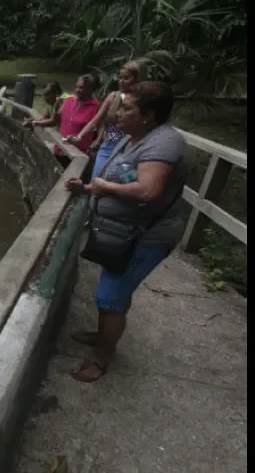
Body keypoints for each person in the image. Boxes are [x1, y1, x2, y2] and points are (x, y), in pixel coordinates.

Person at [63, 81, 187, 383]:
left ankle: (101, 359)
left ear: (148, 114)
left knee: (110, 296)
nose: (118, 113)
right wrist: (89, 188)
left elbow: (148, 189)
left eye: (127, 108)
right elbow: (119, 177)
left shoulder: (163, 143)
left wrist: (103, 187)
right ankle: (103, 334)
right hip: (121, 234)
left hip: (145, 237)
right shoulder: (134, 137)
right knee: (113, 294)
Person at [68, 60, 147, 180]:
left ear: (137, 79)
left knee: (122, 181)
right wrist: (79, 137)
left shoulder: (144, 101)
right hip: (108, 147)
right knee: (96, 179)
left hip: (130, 150)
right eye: (120, 77)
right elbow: (95, 120)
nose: (121, 81)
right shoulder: (113, 96)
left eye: (126, 78)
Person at [27, 74, 101, 166]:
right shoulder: (66, 100)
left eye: (81, 88)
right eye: (77, 86)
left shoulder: (97, 107)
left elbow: (100, 130)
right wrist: (35, 123)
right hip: (59, 150)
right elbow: (54, 121)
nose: (77, 90)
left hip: (79, 156)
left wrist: (94, 144)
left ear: (91, 89)